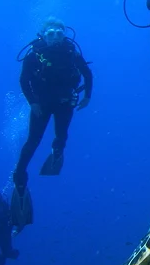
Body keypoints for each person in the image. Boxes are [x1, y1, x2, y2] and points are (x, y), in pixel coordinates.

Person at [11, 18, 93, 226]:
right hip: (42, 105)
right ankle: (19, 179)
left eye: (58, 33)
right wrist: (33, 103)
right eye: (50, 34)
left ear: (64, 34)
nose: (55, 37)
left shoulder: (70, 52)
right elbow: (23, 81)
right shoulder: (33, 56)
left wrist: (87, 97)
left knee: (61, 135)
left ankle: (57, 153)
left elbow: (87, 73)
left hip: (65, 103)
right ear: (43, 36)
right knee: (33, 142)